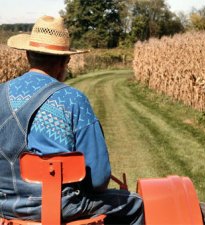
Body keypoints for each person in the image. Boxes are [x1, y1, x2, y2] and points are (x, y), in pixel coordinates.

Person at [0, 15, 144, 224]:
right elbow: (99, 179)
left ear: (28, 55)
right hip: (59, 207)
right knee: (136, 204)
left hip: (4, 206)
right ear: (65, 61)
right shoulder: (73, 100)